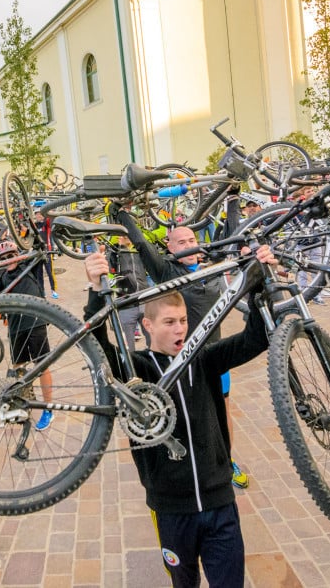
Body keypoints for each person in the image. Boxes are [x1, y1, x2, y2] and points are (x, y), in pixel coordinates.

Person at [82, 243, 278, 587]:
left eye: (184, 321)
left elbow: (255, 339)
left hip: (220, 503)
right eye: (169, 322)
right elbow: (98, 348)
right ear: (147, 326)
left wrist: (262, 283)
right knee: (183, 583)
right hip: (171, 509)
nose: (179, 329)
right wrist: (96, 290)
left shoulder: (203, 358)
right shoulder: (137, 370)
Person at [113, 206, 249, 488]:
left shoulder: (215, 270)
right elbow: (141, 244)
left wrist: (233, 199)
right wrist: (123, 214)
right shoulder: (166, 272)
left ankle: (227, 459)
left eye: (192, 241)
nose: (189, 246)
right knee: (176, 414)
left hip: (213, 357)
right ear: (170, 248)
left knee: (221, 411)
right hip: (177, 362)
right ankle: (174, 467)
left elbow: (235, 237)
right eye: (181, 242)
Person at [0, 237, 55, 431]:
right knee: (18, 368)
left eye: (12, 255)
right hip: (16, 327)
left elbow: (38, 248)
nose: (9, 259)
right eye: (4, 257)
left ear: (18, 255)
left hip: (35, 322)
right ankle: (25, 403)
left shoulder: (29, 266)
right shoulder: (2, 278)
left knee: (42, 366)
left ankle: (48, 409)